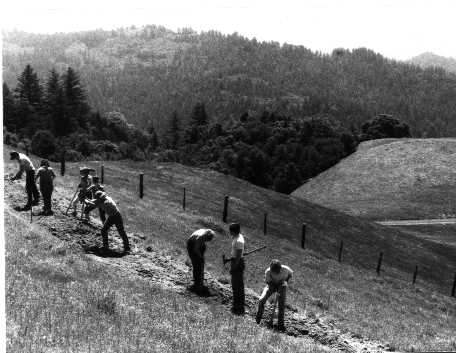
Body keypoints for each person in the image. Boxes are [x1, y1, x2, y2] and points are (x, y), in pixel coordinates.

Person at [256, 259, 293, 331]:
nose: (277, 272)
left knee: (281, 305)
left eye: (278, 270)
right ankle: (258, 320)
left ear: (280, 268)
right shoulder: (268, 272)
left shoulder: (285, 269)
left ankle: (280, 326)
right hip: (271, 285)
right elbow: (268, 283)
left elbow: (291, 274)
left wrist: (285, 281)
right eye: (275, 271)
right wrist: (274, 287)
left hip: (282, 286)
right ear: (272, 270)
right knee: (261, 300)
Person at [229, 222, 245, 315]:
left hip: (237, 263)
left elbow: (238, 256)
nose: (229, 232)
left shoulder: (239, 241)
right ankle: (237, 303)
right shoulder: (237, 237)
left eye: (230, 231)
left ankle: (238, 305)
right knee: (236, 284)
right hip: (236, 261)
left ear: (233, 231)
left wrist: (233, 267)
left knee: (237, 284)